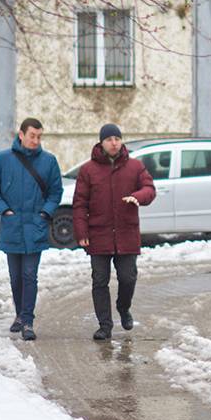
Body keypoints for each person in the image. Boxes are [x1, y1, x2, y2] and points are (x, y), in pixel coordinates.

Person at [0, 117, 63, 341]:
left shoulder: (49, 161)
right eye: (32, 136)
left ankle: (27, 321)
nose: (36, 140)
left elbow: (56, 192)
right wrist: (3, 210)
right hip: (12, 226)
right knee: (15, 276)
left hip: (35, 226)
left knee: (29, 275)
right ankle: (19, 314)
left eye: (39, 136)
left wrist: (45, 213)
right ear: (21, 135)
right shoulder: (3, 159)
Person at [72, 123, 156, 341]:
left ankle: (123, 307)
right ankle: (105, 326)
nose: (114, 142)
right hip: (98, 234)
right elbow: (80, 203)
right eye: (109, 139)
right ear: (101, 142)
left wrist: (138, 196)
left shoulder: (135, 167)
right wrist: (81, 231)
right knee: (100, 281)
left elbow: (150, 189)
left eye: (117, 138)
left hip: (126, 233)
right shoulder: (88, 170)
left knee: (128, 278)